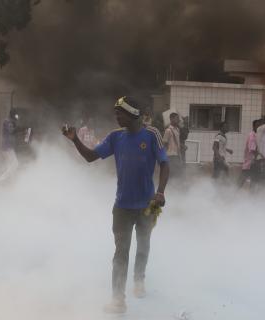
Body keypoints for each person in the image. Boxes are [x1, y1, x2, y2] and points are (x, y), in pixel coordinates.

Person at [62, 96, 170, 314]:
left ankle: (139, 280)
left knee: (144, 243)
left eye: (119, 113)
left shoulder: (152, 134)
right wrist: (75, 140)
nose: (116, 117)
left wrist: (160, 192)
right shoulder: (115, 137)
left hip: (149, 204)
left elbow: (165, 163)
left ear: (132, 114)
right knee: (121, 252)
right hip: (122, 206)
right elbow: (91, 157)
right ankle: (118, 300)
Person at [0, 109, 20, 183]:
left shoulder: (11, 122)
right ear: (12, 115)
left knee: (10, 165)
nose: (16, 118)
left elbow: (14, 132)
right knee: (15, 164)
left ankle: (11, 182)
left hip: (9, 146)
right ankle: (1, 179)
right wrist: (20, 129)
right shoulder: (7, 121)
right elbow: (11, 131)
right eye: (15, 116)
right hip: (7, 147)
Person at [238, 119, 260, 188]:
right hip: (250, 164)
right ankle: (230, 195)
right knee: (240, 182)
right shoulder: (252, 136)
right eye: (257, 126)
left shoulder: (256, 135)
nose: (259, 127)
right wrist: (261, 156)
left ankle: (251, 197)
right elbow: (252, 150)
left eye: (260, 126)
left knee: (253, 182)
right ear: (253, 127)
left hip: (253, 164)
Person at [163, 113, 184, 177]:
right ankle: (170, 186)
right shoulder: (168, 130)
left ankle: (175, 186)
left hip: (177, 155)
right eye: (176, 118)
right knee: (171, 174)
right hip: (170, 156)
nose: (178, 120)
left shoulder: (177, 129)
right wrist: (164, 157)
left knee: (177, 174)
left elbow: (176, 141)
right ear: (171, 119)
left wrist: (182, 146)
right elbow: (164, 143)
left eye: (178, 119)